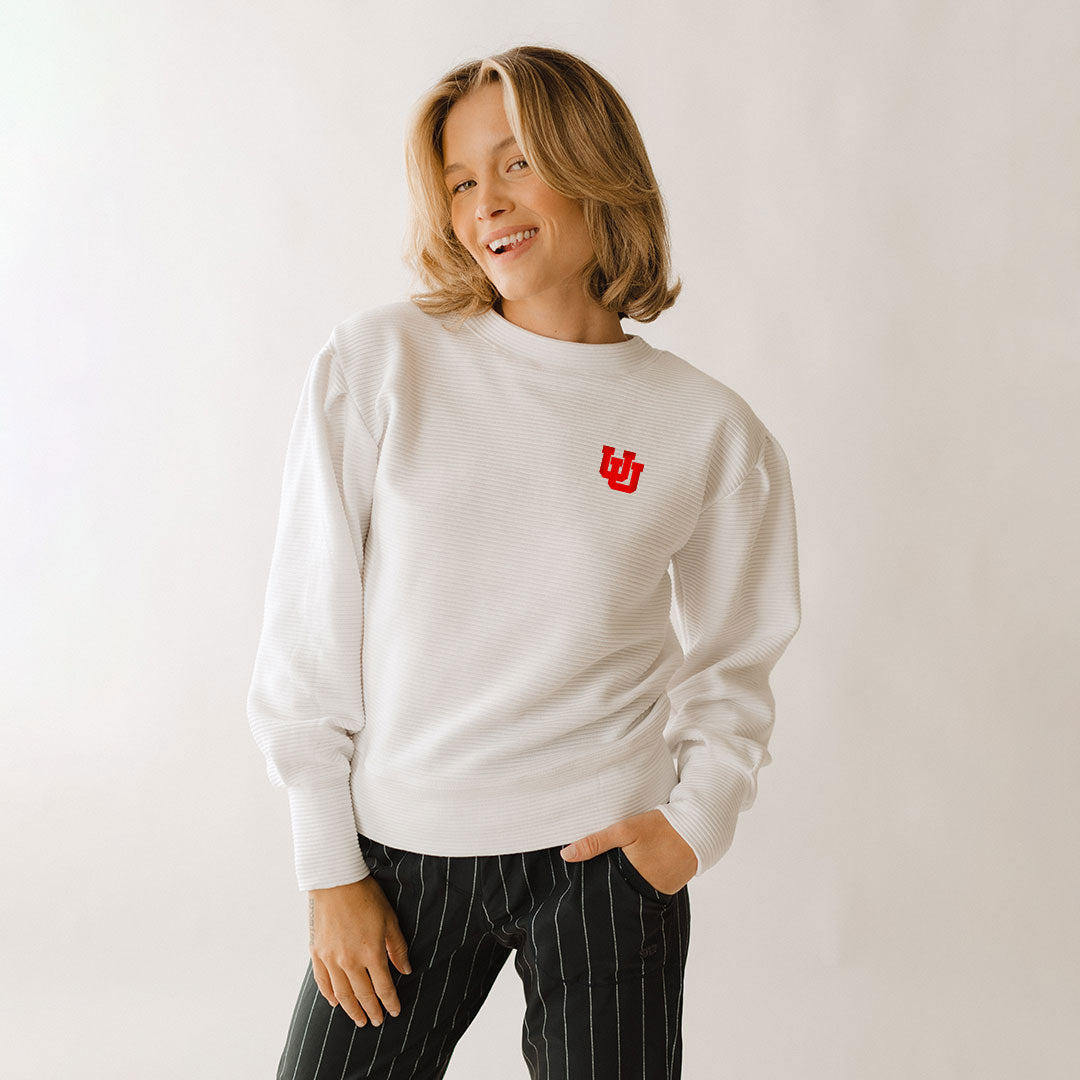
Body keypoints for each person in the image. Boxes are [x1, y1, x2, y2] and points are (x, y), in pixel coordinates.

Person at [246, 44, 802, 1080]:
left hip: (605, 864)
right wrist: (329, 870)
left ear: (595, 166)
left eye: (516, 163)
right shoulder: (381, 364)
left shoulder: (707, 428)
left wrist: (693, 828)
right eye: (460, 182)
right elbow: (306, 634)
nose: (486, 205)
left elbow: (737, 655)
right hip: (401, 858)